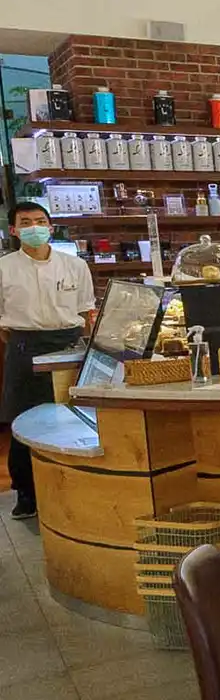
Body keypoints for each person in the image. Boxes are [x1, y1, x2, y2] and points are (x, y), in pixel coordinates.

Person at [0, 202, 96, 519]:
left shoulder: (75, 267)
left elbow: (86, 314)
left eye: (40, 221)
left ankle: (73, 487)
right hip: (24, 346)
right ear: (13, 230)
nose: (34, 227)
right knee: (23, 420)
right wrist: (20, 340)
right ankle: (26, 494)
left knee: (71, 419)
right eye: (25, 222)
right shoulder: (4, 268)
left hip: (69, 344)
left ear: (51, 228)